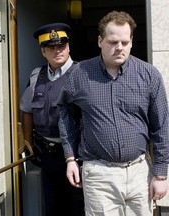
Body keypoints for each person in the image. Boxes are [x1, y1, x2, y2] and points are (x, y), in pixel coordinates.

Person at [58, 10, 169, 216]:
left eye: (125, 42)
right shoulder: (80, 74)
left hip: (139, 173)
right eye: (112, 41)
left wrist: (160, 175)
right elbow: (64, 110)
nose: (119, 47)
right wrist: (70, 157)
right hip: (99, 175)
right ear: (100, 40)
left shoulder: (149, 75)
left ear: (132, 42)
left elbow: (162, 125)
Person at [20, 23, 84, 216]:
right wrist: (28, 144)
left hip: (78, 155)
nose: (57, 51)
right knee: (53, 206)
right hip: (48, 155)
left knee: (78, 207)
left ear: (69, 47)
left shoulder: (83, 74)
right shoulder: (36, 76)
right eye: (51, 47)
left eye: (61, 46)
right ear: (43, 51)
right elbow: (27, 110)